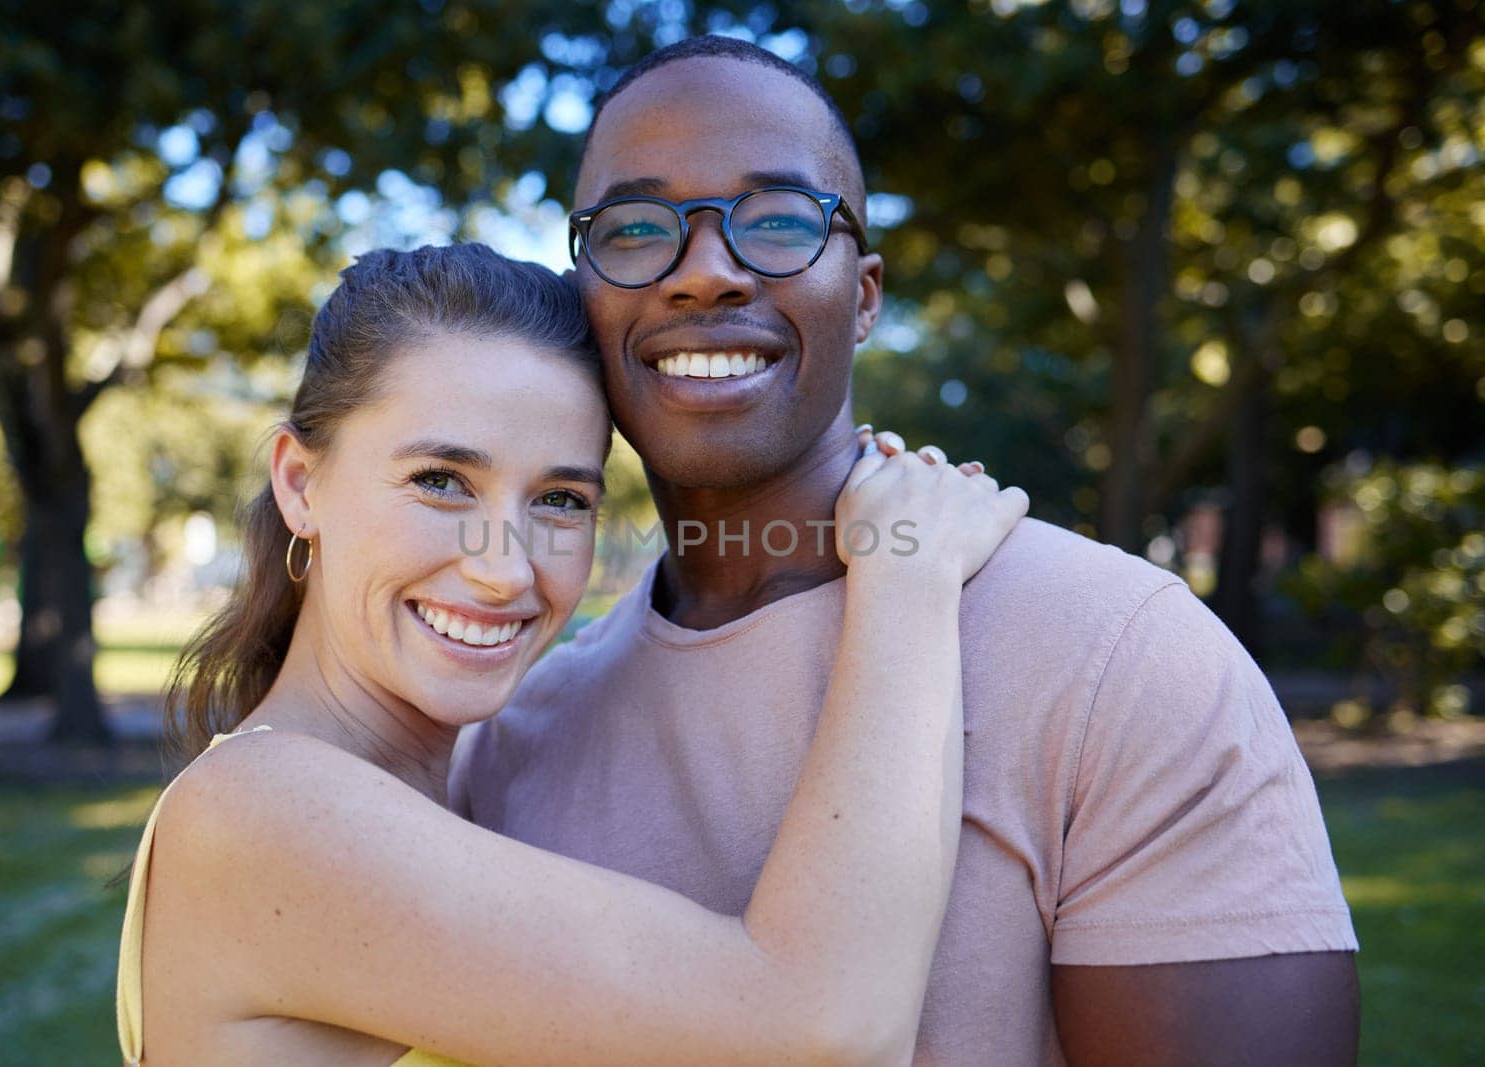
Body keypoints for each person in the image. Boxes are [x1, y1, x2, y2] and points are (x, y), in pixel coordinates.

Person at [452, 36, 1361, 1065]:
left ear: (866, 293)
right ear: (586, 294)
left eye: (780, 219)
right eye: (633, 228)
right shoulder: (517, 732)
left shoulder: (1122, 655)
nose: (704, 271)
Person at [115, 242, 1029, 1065]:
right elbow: (828, 1025)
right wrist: (907, 570)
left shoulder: (454, 782)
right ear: (300, 484)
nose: (504, 570)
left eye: (560, 500)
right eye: (441, 481)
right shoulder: (263, 814)